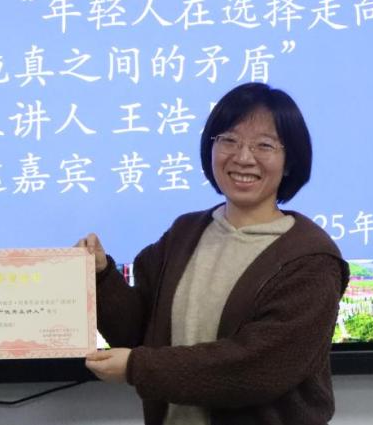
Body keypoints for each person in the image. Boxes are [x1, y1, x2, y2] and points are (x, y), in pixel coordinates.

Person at [78, 82, 349, 425]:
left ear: (289, 161)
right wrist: (102, 275)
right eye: (229, 140)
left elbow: (256, 369)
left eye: (264, 145)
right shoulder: (185, 233)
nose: (243, 157)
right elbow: (139, 334)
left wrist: (137, 367)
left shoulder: (311, 259)